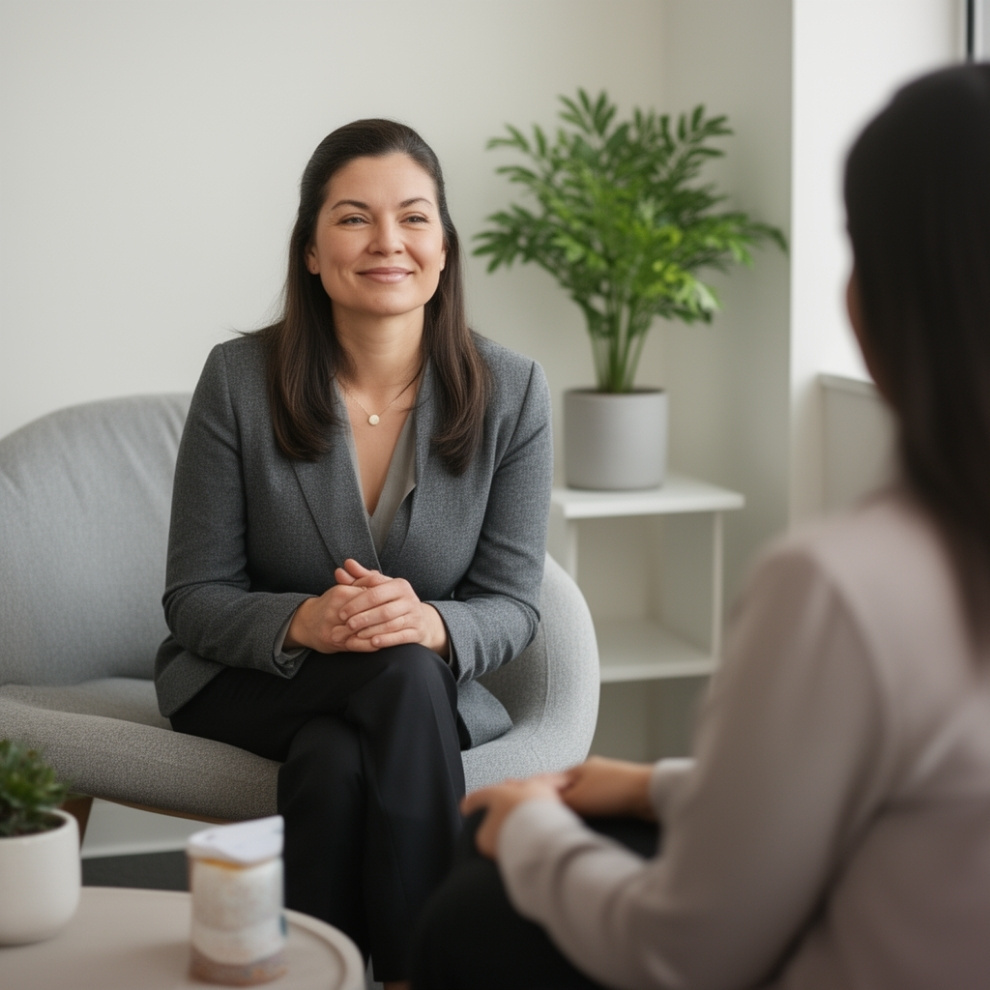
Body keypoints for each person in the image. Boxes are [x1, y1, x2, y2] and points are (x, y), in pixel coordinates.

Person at [411, 63, 990, 990]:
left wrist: (530, 832)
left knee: (474, 910)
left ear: (878, 299)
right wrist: (656, 785)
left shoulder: (844, 589)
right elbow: (916, 804)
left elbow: (684, 953)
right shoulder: (245, 383)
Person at [154, 119, 553, 988]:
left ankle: (310, 974)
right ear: (309, 249)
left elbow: (515, 603)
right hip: (248, 683)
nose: (387, 243)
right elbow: (194, 595)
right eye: (352, 219)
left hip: (392, 692)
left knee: (339, 760)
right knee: (404, 674)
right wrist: (307, 619)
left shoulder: (513, 392)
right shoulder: (238, 380)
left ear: (444, 248)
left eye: (414, 218)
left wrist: (430, 623)